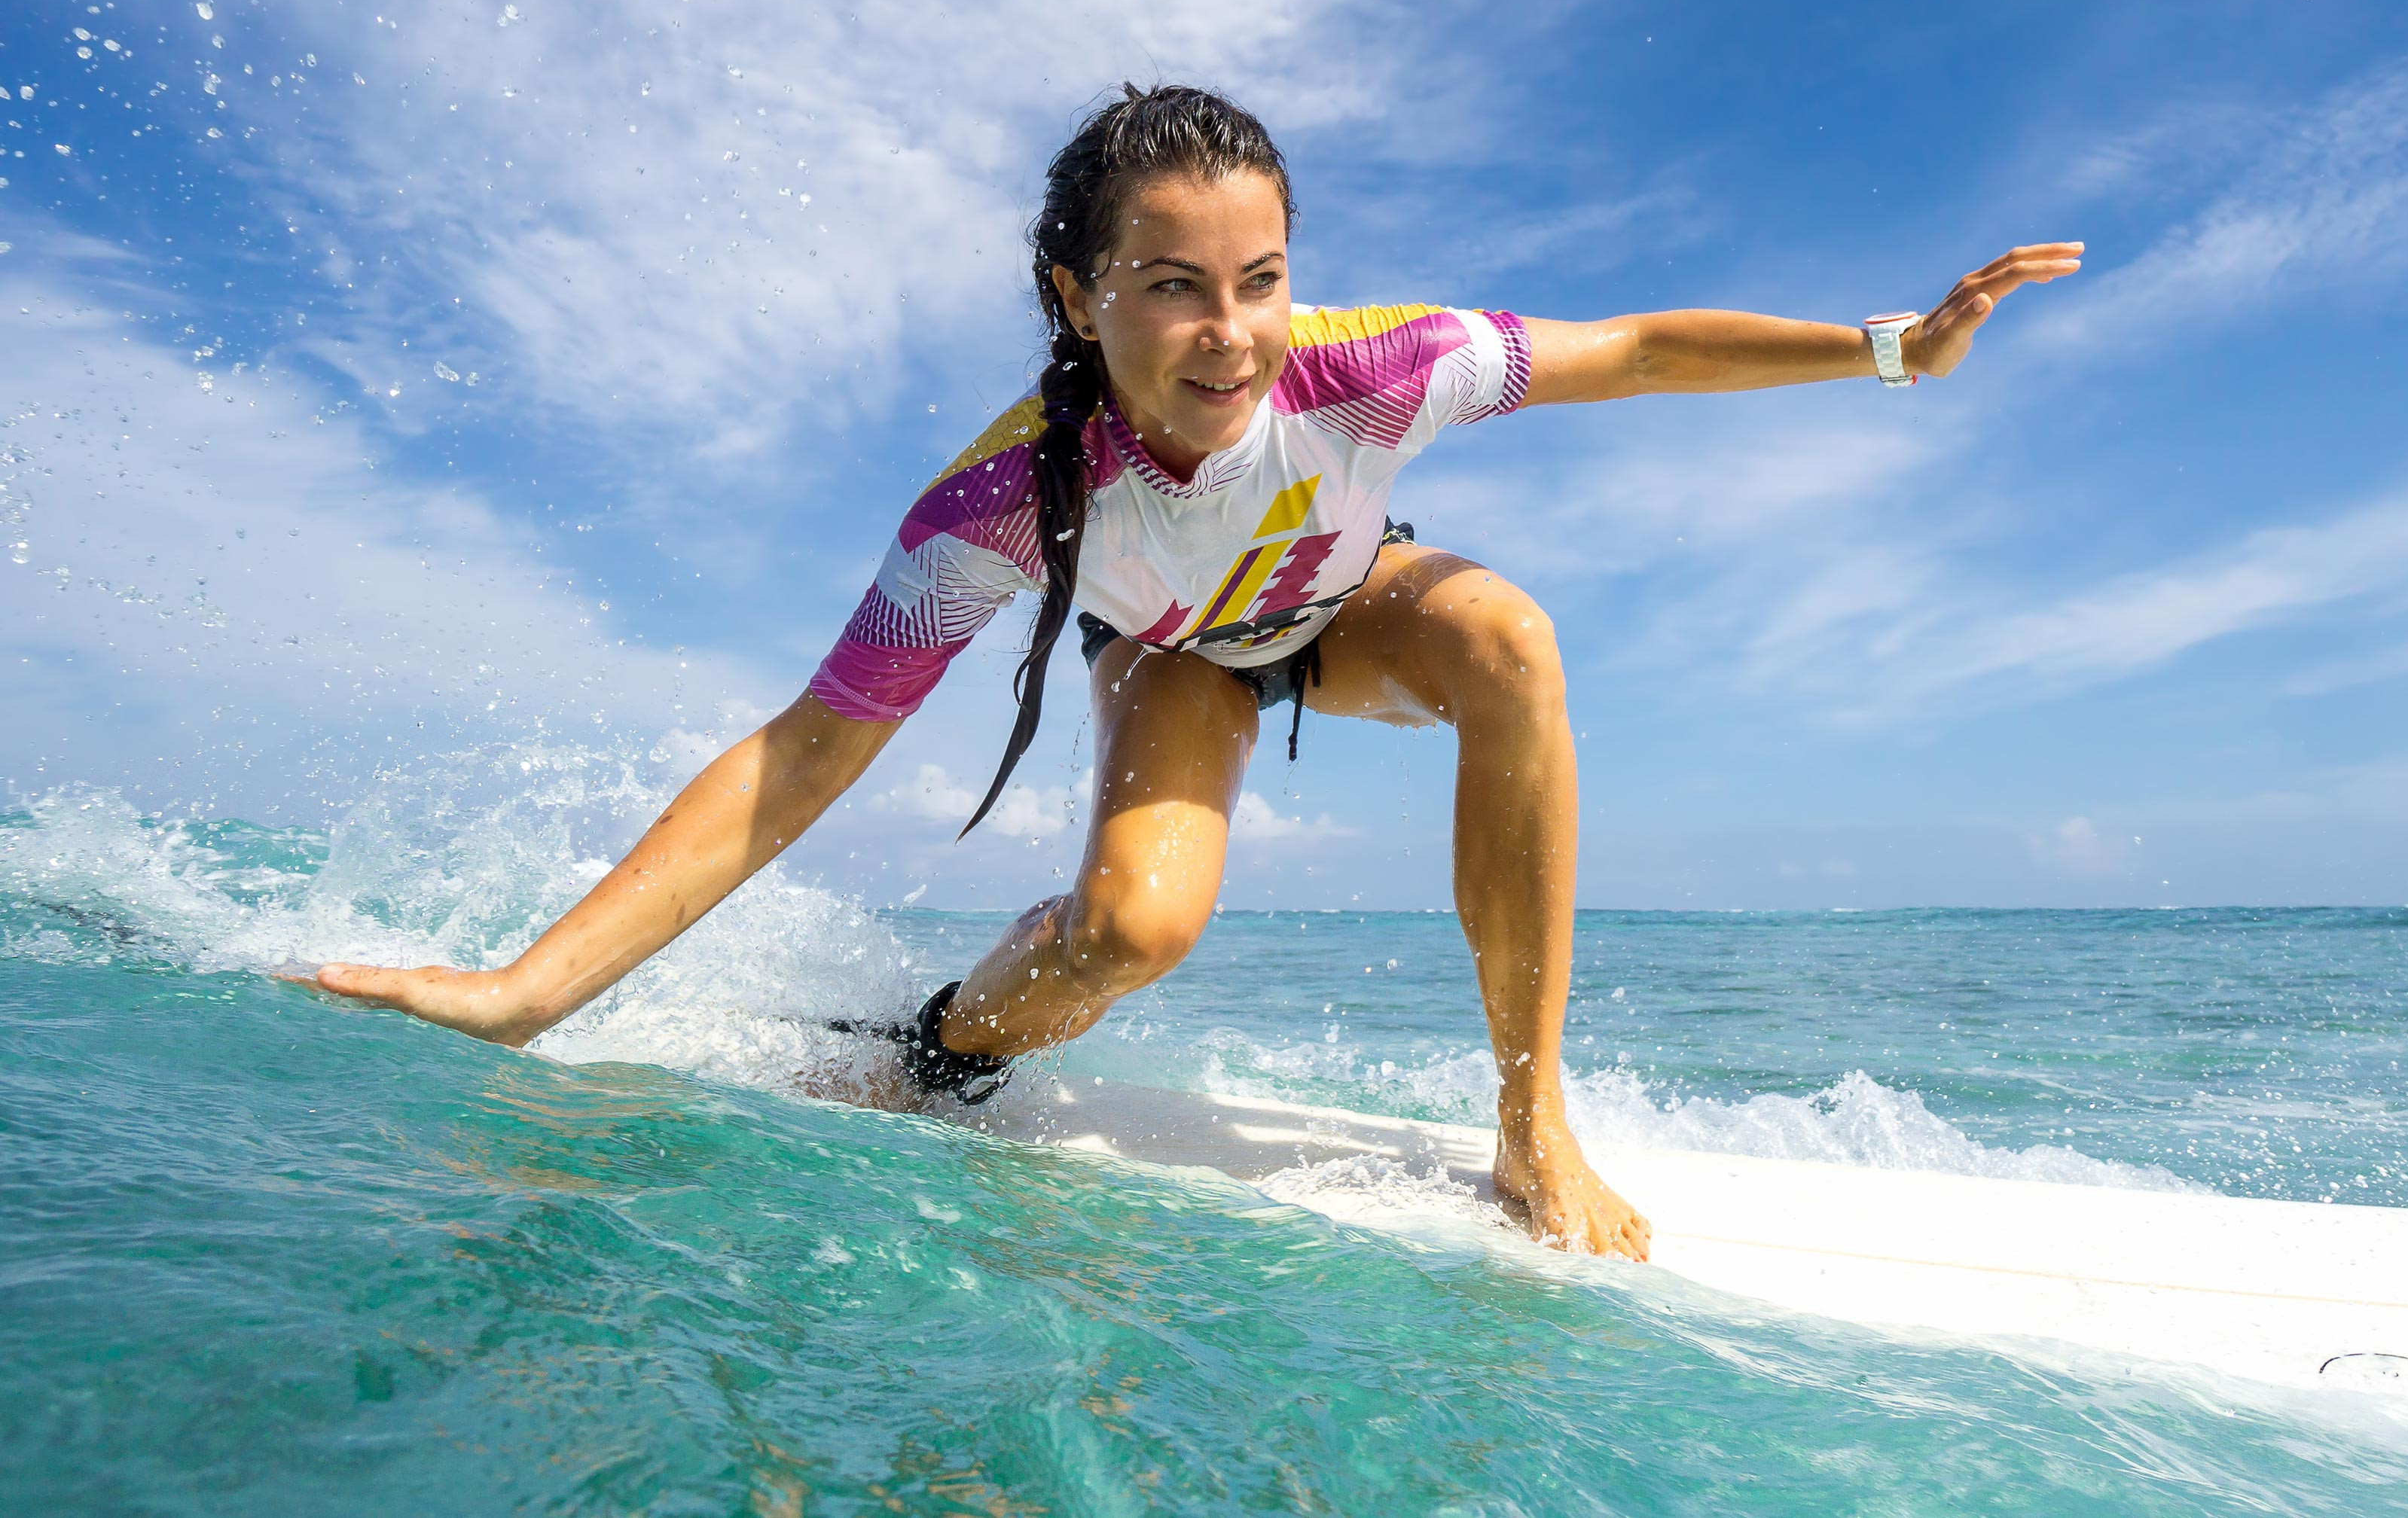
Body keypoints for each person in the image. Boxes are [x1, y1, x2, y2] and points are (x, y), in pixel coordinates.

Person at [312, 84, 2081, 1257]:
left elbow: (1626, 346)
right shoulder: (1005, 499)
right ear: (1075, 293)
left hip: (1347, 600)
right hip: (1173, 652)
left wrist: (1888, 349)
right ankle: (931, 1050)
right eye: (1168, 284)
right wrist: (533, 990)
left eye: (1257, 277)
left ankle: (1531, 1112)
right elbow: (804, 751)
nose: (1225, 328)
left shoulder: (1377, 367)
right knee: (1130, 935)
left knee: (1507, 635)